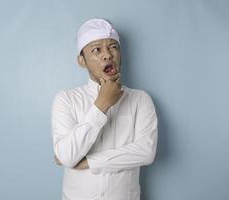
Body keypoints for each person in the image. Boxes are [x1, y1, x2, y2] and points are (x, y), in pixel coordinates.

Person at [51, 18, 158, 200]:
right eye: (96, 50)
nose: (107, 55)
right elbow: (68, 157)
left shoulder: (141, 99)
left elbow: (146, 152)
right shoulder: (66, 100)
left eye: (113, 47)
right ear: (81, 61)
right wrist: (102, 104)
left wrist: (89, 162)